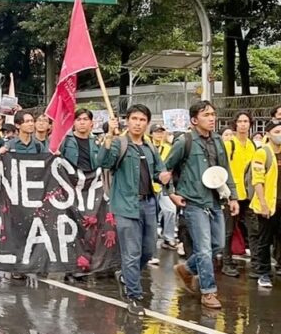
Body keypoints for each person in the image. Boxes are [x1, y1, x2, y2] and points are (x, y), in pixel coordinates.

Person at [97, 104, 170, 316]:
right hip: (125, 205)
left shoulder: (149, 146)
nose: (138, 123)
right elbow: (102, 162)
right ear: (127, 120)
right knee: (132, 252)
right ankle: (134, 296)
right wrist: (109, 136)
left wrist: (165, 177)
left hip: (148, 204)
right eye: (134, 119)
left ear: (147, 123)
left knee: (148, 250)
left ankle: (127, 276)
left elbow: (159, 171)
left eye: (142, 120)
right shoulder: (119, 143)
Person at [166, 100, 239, 310]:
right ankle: (208, 292)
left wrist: (232, 197)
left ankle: (186, 269)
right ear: (194, 119)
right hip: (194, 202)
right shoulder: (184, 141)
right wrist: (171, 193)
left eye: (213, 114)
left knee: (218, 245)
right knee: (205, 250)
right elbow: (165, 169)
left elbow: (226, 171)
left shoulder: (218, 140)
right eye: (206, 115)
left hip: (215, 200)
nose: (212, 118)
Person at [222, 112, 258, 278]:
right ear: (235, 124)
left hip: (249, 194)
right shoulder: (230, 145)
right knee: (228, 230)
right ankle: (226, 261)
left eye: (246, 121)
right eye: (240, 121)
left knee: (253, 229)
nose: (243, 124)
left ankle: (258, 263)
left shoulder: (252, 145)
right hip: (231, 194)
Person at [250, 120, 281, 288]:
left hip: (280, 202)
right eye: (277, 131)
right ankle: (263, 273)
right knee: (264, 239)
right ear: (268, 134)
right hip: (268, 203)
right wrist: (262, 203)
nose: (279, 135)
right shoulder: (263, 153)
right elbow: (257, 180)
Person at [150, 124, 177, 251]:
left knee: (171, 210)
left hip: (164, 185)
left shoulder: (168, 148)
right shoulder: (147, 146)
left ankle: (168, 237)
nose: (159, 135)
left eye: (161, 132)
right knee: (151, 216)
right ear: (151, 134)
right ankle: (151, 242)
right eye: (156, 132)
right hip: (149, 185)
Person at [57, 109, 99, 173]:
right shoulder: (65, 139)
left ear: (91, 123)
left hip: (91, 178)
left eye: (85, 119)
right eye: (78, 119)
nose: (82, 122)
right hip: (70, 178)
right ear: (74, 123)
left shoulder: (96, 141)